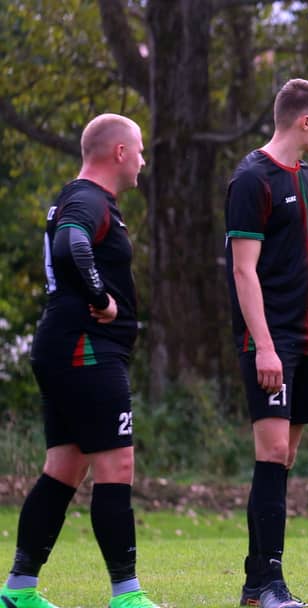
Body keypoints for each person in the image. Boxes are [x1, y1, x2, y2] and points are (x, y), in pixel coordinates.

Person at [1, 113, 161, 608]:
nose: (142, 160)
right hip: (85, 348)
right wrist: (102, 298)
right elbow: (71, 245)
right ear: (118, 152)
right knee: (117, 464)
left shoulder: (85, 198)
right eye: (139, 150)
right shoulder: (88, 198)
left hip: (66, 346)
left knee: (64, 468)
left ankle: (19, 590)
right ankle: (127, 594)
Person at [225, 78, 308, 608]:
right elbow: (243, 271)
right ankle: (270, 585)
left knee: (285, 457)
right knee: (272, 452)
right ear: (304, 121)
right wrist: (265, 346)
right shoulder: (252, 180)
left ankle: (255, 587)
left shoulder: (307, 176)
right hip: (272, 339)